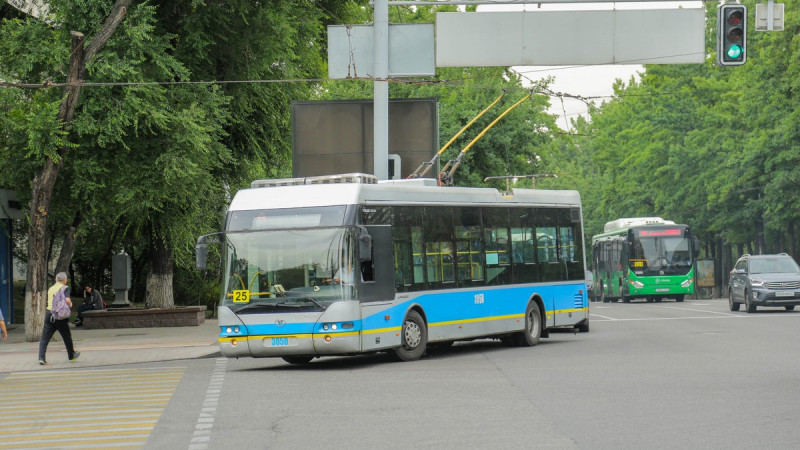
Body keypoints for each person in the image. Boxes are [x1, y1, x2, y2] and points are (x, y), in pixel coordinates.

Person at [38, 272, 80, 365]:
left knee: (45, 337)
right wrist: (71, 305)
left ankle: (41, 358)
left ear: (56, 280)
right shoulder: (65, 288)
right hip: (60, 316)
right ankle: (71, 356)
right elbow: (67, 300)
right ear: (65, 280)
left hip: (49, 314)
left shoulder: (51, 288)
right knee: (66, 336)